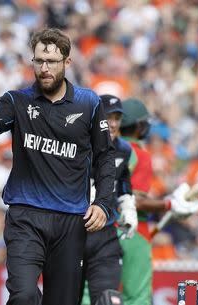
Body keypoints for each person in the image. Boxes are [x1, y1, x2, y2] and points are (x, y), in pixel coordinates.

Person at [0, 28, 115, 305]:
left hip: (71, 220)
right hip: (26, 216)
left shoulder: (88, 103)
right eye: (39, 61)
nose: (44, 68)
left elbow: (105, 157)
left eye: (52, 61)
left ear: (67, 63)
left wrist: (104, 203)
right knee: (23, 295)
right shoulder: (17, 100)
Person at [118, 98, 198, 305]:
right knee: (136, 297)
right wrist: (169, 205)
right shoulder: (139, 154)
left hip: (101, 229)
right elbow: (133, 200)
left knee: (91, 293)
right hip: (133, 231)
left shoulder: (106, 150)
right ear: (139, 126)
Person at [81, 94, 137, 305]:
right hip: (73, 231)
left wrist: (128, 209)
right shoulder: (80, 143)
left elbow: (123, 181)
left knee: (108, 299)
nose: (112, 123)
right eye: (108, 117)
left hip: (105, 235)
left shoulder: (123, 149)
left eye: (117, 118)